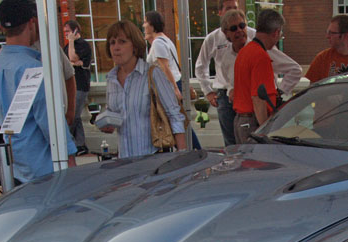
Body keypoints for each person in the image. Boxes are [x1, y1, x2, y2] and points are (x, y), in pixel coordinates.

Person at [0, 0, 77, 184]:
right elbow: (49, 122)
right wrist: (70, 156)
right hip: (43, 167)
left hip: (15, 162)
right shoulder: (33, 68)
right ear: (32, 22)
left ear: (2, 27)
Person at [195, 0, 301, 146]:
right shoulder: (256, 54)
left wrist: (279, 91)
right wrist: (265, 131)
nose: (239, 30)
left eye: (242, 25)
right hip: (245, 113)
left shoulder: (251, 49)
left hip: (245, 116)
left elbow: (294, 70)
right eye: (233, 28)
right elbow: (257, 97)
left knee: (241, 158)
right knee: (244, 155)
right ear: (226, 33)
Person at [100, 20, 186, 158]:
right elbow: (113, 114)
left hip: (153, 157)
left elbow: (175, 114)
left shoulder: (152, 74)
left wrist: (182, 155)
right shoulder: (111, 79)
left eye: (122, 42)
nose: (116, 47)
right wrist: (107, 124)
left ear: (134, 46)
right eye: (112, 42)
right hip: (124, 160)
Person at [143, 11, 200, 150]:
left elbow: (165, 67)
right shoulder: (166, 40)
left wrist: (174, 89)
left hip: (168, 87)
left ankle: (192, 150)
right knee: (180, 122)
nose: (143, 25)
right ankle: (193, 149)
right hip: (174, 84)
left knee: (177, 123)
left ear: (152, 24)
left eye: (145, 22)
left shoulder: (157, 43)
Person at [232, 9, 284, 145]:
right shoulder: (260, 56)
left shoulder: (245, 51)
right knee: (257, 164)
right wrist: (265, 132)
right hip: (252, 122)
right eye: (280, 34)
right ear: (276, 32)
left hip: (241, 120)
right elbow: (258, 99)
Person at [305, 15, 348, 83]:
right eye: (327, 32)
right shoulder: (322, 58)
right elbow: (313, 89)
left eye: (331, 33)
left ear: (345, 36)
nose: (327, 36)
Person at [63, 20, 92, 155]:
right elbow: (69, 62)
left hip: (81, 84)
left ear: (75, 31)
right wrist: (74, 62)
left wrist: (72, 43)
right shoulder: (67, 47)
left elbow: (73, 57)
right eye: (65, 32)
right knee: (77, 115)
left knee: (74, 114)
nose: (66, 35)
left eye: (68, 32)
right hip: (70, 85)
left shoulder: (83, 45)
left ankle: (69, 142)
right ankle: (80, 144)